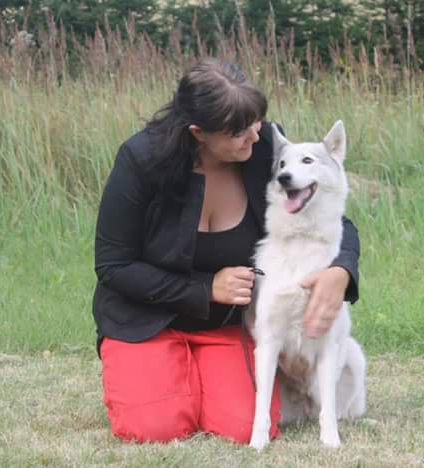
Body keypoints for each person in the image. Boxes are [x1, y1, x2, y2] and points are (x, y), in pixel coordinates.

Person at [92, 58, 361, 444]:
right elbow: (113, 265)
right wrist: (204, 289)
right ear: (198, 133)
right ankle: (168, 374)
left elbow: (330, 218)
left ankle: (201, 378)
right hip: (147, 319)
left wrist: (342, 271)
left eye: (256, 122)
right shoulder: (140, 159)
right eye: (239, 132)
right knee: (154, 427)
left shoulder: (263, 147)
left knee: (242, 426)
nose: (254, 136)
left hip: (225, 325)